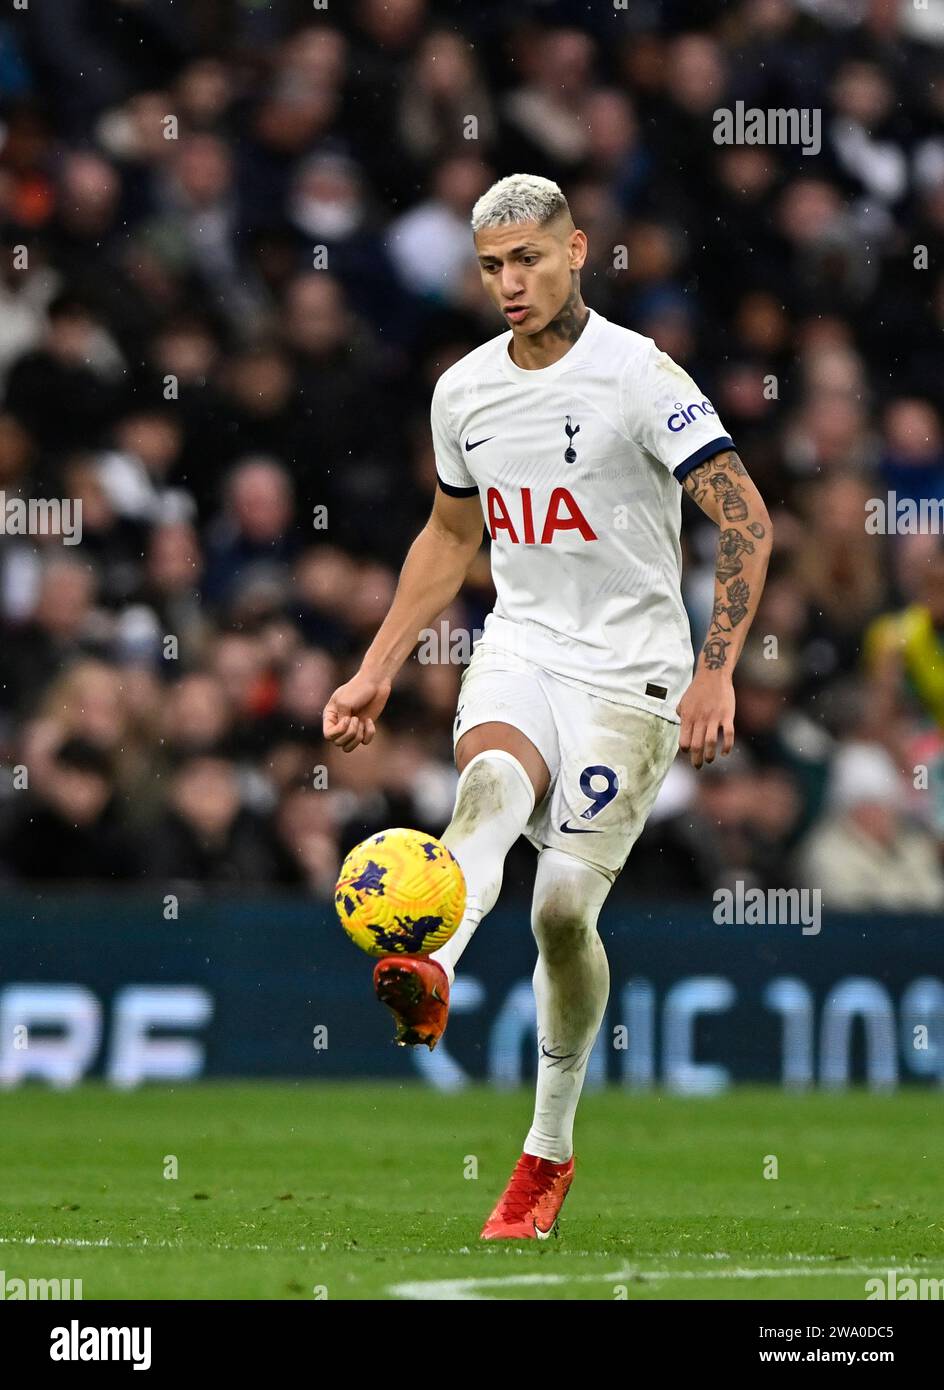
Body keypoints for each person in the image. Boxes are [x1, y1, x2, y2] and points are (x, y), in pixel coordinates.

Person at [322, 173, 773, 1240]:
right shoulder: (464, 391)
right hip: (522, 644)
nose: (509, 283)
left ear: (576, 250)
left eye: (527, 258)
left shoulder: (638, 376)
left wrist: (716, 668)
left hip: (634, 673)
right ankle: (427, 962)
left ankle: (546, 1151)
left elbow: (745, 518)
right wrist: (377, 663)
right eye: (490, 267)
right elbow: (446, 537)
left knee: (561, 913)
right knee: (485, 785)